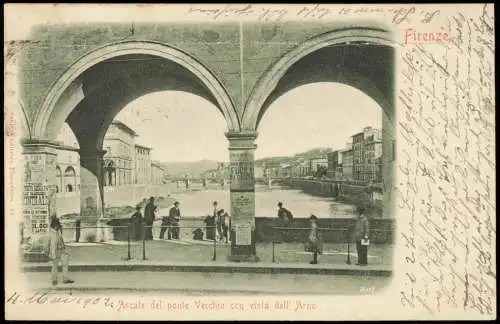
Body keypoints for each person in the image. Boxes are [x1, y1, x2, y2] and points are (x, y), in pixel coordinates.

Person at [46, 217, 74, 286]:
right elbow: (49, 245)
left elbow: (61, 240)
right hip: (55, 252)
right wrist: (51, 254)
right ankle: (54, 280)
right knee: (55, 266)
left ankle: (65, 279)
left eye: (58, 225)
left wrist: (64, 248)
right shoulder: (50, 233)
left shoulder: (58, 231)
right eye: (57, 225)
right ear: (54, 225)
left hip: (62, 250)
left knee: (65, 264)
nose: (57, 227)